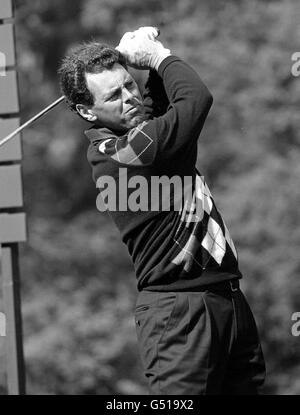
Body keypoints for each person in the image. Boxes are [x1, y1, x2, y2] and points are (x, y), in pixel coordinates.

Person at [58, 27, 266, 395]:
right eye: (114, 96)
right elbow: (195, 99)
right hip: (179, 315)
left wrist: (147, 65)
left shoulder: (137, 139)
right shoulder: (122, 156)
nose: (129, 98)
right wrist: (156, 55)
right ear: (86, 111)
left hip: (228, 302)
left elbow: (154, 106)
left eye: (129, 86)